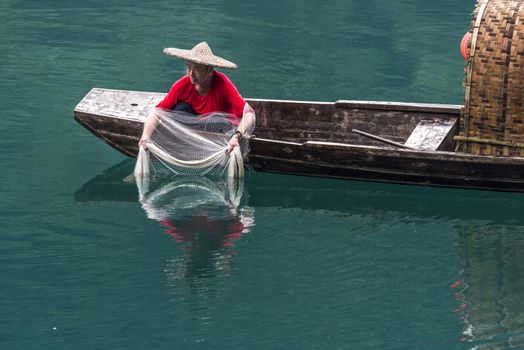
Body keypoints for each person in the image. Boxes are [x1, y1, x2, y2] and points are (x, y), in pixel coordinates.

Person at [138, 41, 255, 151]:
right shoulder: (182, 85)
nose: (191, 73)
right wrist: (145, 136)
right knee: (180, 109)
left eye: (197, 69)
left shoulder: (223, 84)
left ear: (210, 70)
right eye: (189, 67)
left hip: (221, 133)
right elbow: (156, 112)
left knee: (215, 119)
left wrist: (237, 136)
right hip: (194, 130)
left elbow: (249, 114)